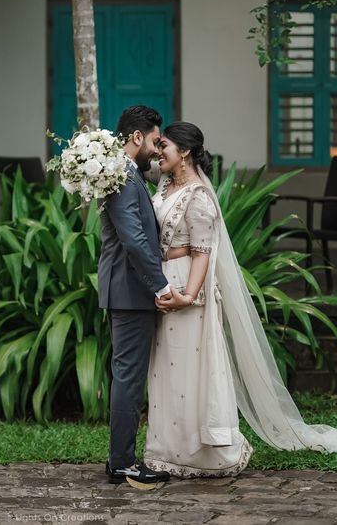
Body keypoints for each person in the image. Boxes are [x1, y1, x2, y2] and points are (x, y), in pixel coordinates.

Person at [144, 121, 337, 478]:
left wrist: (188, 296)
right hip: (163, 280)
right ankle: (165, 450)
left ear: (184, 152)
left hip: (188, 284)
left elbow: (203, 251)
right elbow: (135, 161)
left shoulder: (199, 196)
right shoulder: (166, 181)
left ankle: (205, 453)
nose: (159, 152)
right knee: (166, 369)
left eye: (165, 146)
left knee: (190, 368)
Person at [98, 105, 191, 485]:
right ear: (137, 137)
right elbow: (134, 241)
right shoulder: (121, 176)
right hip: (130, 290)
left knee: (129, 376)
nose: (157, 148)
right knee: (129, 378)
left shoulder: (127, 173)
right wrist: (162, 286)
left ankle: (121, 458)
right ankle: (121, 463)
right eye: (155, 140)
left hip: (126, 289)